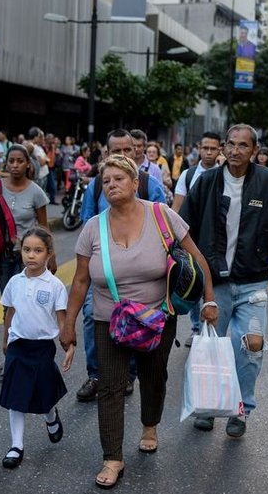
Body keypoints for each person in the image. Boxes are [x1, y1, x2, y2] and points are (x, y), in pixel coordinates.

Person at [62, 154, 216, 490]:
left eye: (119, 178)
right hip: (110, 319)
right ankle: (112, 457)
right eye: (106, 181)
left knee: (153, 376)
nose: (112, 185)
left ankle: (149, 424)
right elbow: (81, 280)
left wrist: (209, 299)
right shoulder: (93, 227)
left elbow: (196, 258)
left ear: (135, 182)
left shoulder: (163, 215)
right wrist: (69, 323)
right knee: (110, 386)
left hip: (158, 317)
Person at [180, 123, 268, 437]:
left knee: (252, 346)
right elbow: (182, 229)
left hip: (254, 283)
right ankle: (206, 408)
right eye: (230, 144)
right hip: (213, 283)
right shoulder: (206, 182)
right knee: (209, 346)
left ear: (254, 150)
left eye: (242, 145)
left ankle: (240, 408)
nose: (235, 151)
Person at [75, 129, 167, 403]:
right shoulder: (97, 185)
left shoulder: (149, 184)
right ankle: (96, 374)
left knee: (139, 320)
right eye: (117, 151)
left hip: (141, 274)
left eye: (128, 150)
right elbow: (87, 228)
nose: (123, 155)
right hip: (104, 272)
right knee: (93, 316)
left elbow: (164, 231)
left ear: (137, 151)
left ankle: (130, 374)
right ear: (106, 153)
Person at [0, 228, 74, 469]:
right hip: (18, 346)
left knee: (43, 392)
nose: (31, 255)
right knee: (15, 396)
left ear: (49, 254)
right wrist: (6, 339)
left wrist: (68, 345)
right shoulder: (14, 282)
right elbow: (9, 313)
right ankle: (16, 445)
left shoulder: (55, 286)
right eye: (27, 250)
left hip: (42, 348)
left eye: (38, 250)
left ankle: (51, 416)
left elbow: (62, 320)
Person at [0, 144, 52, 291]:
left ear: (28, 164)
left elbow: (43, 227)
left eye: (20, 161)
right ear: (6, 163)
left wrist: (51, 256)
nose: (15, 165)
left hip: (28, 255)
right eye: (11, 161)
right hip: (2, 255)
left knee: (23, 300)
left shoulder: (36, 192)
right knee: (8, 301)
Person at [172, 132, 222, 346]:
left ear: (220, 150)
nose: (209, 152)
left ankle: (212, 326)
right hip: (191, 238)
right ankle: (195, 328)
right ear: (199, 149)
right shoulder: (189, 175)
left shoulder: (225, 175)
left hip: (218, 239)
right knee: (194, 281)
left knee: (216, 284)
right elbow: (176, 208)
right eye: (205, 148)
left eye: (213, 148)